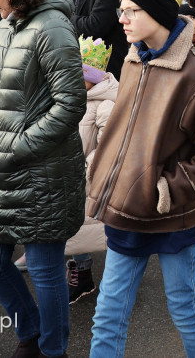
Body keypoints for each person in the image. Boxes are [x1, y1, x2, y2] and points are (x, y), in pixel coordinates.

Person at [86, 0, 195, 357]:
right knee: (108, 314)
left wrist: (168, 189)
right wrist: (100, 166)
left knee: (185, 306)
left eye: (131, 10)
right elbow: (124, 128)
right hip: (126, 209)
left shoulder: (192, 75)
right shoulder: (133, 60)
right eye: (121, 10)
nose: (122, 18)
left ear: (156, 12)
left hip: (171, 216)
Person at [0, 0, 87, 358]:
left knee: (44, 269)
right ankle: (33, 330)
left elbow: (70, 102)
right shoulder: (6, 23)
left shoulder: (52, 26)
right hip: (1, 166)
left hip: (43, 170)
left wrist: (19, 145)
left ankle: (53, 350)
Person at [64, 36, 118, 306]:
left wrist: (87, 165)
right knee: (74, 231)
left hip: (87, 177)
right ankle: (81, 273)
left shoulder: (107, 104)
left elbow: (110, 146)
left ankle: (119, 275)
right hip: (65, 175)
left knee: (94, 228)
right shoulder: (69, 99)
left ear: (94, 77)